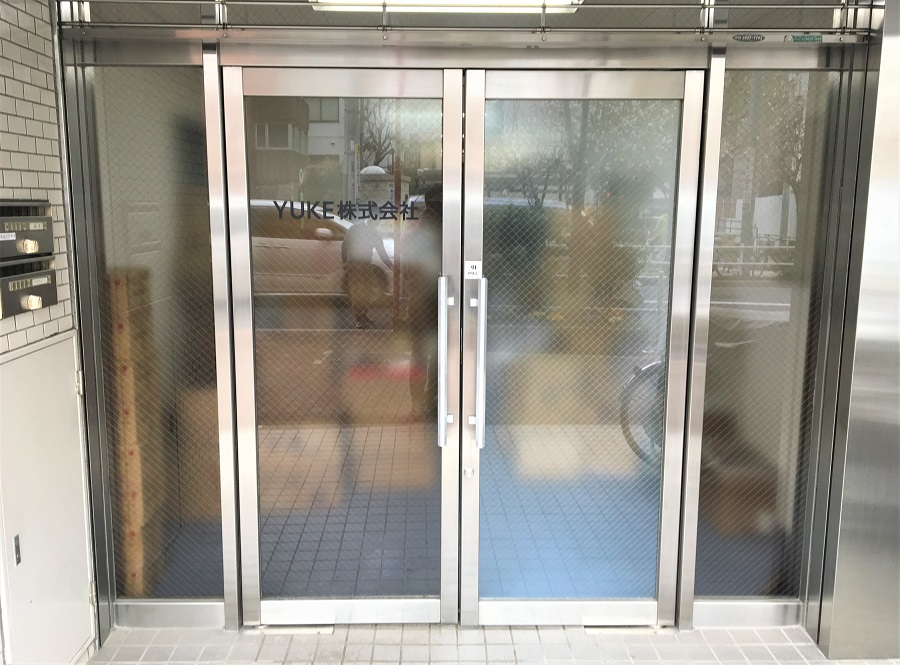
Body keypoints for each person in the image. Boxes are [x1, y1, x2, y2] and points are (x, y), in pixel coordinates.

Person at [403, 184, 443, 419]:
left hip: (418, 304)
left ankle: (417, 404)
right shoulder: (449, 233)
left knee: (419, 354)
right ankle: (433, 402)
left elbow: (406, 271)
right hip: (441, 302)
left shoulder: (414, 234)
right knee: (438, 353)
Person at [341, 216, 393, 329]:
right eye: (377, 222)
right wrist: (344, 261)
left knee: (368, 291)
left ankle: (363, 315)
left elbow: (381, 251)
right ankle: (359, 319)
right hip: (354, 265)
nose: (377, 225)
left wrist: (390, 265)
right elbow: (345, 245)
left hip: (367, 265)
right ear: (370, 219)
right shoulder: (355, 229)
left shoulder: (375, 233)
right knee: (358, 292)